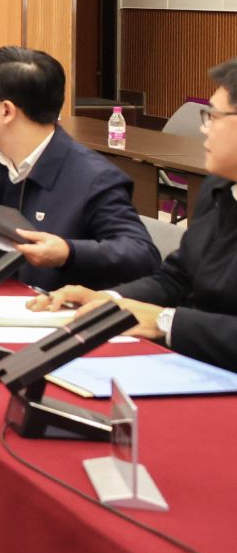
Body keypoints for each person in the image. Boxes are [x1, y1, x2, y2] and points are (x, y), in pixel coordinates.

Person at [30, 60, 237, 370]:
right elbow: (176, 279)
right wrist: (111, 300)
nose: (204, 128)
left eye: (214, 117)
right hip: (190, 365)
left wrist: (166, 322)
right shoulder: (220, 189)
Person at [0, 46, 157, 293]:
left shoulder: (94, 177)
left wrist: (68, 252)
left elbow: (141, 254)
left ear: (6, 111)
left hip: (51, 308)